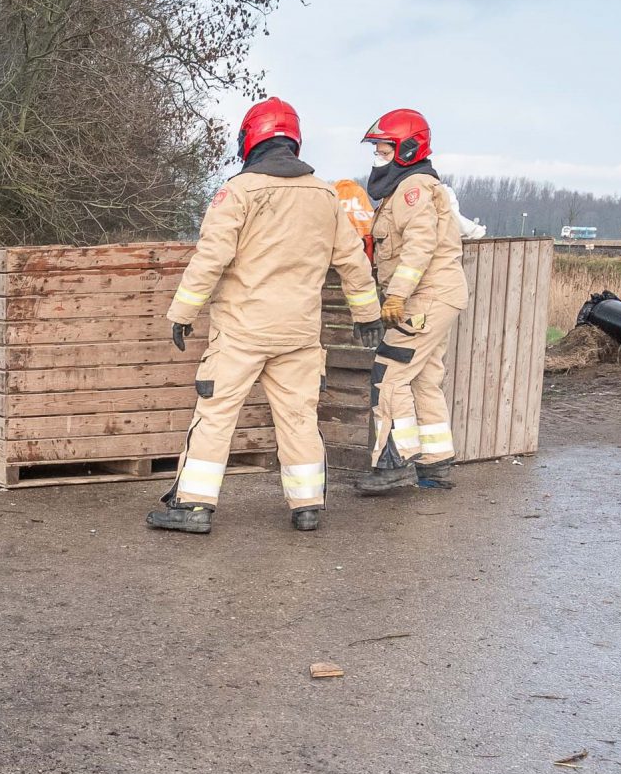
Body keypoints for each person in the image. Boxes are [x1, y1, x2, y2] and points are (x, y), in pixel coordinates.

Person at [149, 98, 382, 535]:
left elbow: (211, 258)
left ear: (250, 139)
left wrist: (183, 311)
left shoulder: (238, 191)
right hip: (299, 333)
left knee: (216, 413)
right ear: (294, 140)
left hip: (242, 330)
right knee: (298, 417)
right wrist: (367, 314)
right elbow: (353, 259)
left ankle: (194, 507)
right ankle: (307, 505)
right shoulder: (324, 194)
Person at [353, 108, 469, 497]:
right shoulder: (408, 188)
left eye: (382, 148)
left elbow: (420, 246)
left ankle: (394, 462)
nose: (377, 156)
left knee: (388, 375)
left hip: (424, 299)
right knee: (423, 378)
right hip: (438, 297)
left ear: (405, 148)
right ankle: (435, 463)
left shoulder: (413, 188)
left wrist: (398, 294)